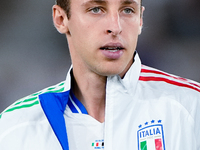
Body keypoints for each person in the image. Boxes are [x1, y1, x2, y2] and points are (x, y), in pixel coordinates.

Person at [0, 0, 200, 149]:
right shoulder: (13, 128)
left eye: (128, 10)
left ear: (140, 20)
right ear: (61, 19)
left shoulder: (191, 107)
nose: (115, 27)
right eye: (96, 9)